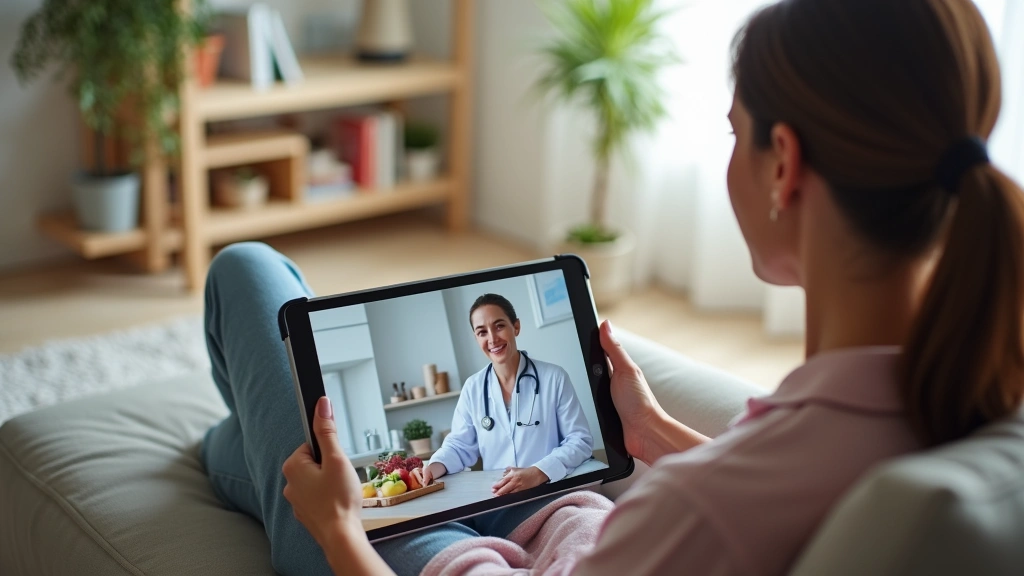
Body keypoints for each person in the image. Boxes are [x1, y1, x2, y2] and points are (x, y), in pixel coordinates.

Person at [202, 0, 1024, 574]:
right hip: (536, 518)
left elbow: (731, 510)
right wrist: (652, 430)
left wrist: (342, 531)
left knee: (244, 274)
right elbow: (804, 500)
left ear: (787, 165)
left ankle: (265, 482)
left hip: (493, 549)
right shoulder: (973, 391)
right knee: (252, 435)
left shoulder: (703, 510)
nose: (488, 342)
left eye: (734, 132)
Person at [420, 293, 595, 495]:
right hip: (499, 497)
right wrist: (432, 469)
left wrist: (538, 472)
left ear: (516, 327)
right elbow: (458, 446)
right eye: (482, 332)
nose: (492, 339)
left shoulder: (553, 377)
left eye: (499, 326)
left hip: (549, 490)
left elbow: (579, 440)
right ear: (476, 338)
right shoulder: (473, 388)